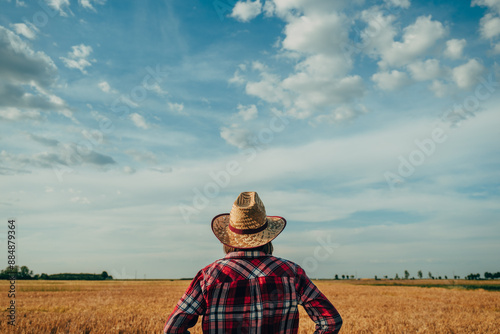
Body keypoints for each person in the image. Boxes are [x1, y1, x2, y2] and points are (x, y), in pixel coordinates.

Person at [164, 191, 342, 334]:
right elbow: (331, 322)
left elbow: (172, 329)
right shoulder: (291, 273)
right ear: (267, 237)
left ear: (229, 240)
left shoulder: (209, 276)